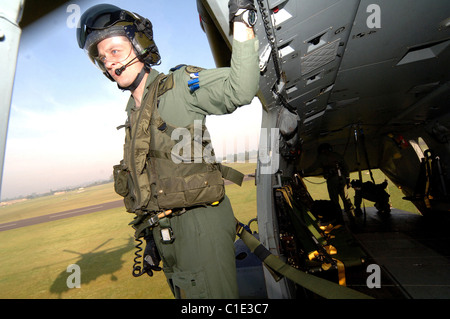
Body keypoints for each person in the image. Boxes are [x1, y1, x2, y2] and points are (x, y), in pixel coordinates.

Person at [77, 1, 259, 299]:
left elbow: (241, 88)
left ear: (139, 46)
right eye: (102, 57)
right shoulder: (134, 114)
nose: (108, 61)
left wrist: (241, 17)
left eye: (115, 50)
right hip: (166, 233)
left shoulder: (180, 85)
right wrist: (150, 235)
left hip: (199, 225)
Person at [303, 143, 354, 223]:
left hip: (332, 180)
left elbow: (313, 168)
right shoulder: (337, 155)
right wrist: (347, 179)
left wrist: (302, 172)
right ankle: (352, 218)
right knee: (346, 199)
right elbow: (346, 167)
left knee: (335, 201)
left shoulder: (321, 157)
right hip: (342, 179)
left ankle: (340, 220)